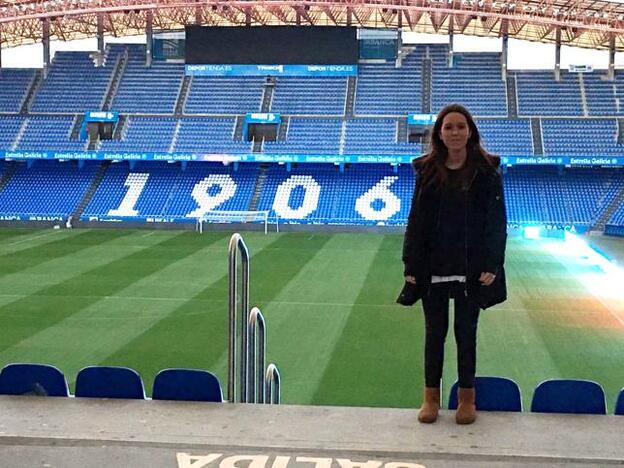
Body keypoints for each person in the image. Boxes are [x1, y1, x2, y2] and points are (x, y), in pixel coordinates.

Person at [402, 103, 507, 425]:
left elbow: (496, 221)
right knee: (435, 334)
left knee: (466, 333)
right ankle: (430, 398)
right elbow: (416, 220)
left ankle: (466, 399)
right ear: (440, 133)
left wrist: (492, 262)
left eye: (461, 126)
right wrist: (411, 263)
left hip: (471, 266)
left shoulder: (487, 170)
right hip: (434, 264)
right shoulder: (426, 169)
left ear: (470, 131)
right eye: (449, 127)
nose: (455, 132)